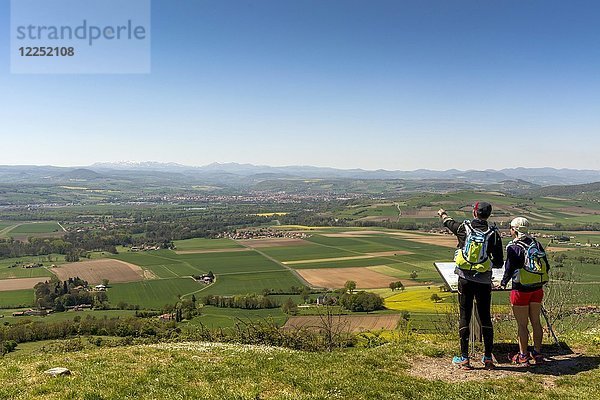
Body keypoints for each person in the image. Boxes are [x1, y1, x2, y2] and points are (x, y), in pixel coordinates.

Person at [438, 202, 503, 370]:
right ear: (488, 215)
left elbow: (448, 223)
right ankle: (488, 357)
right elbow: (498, 262)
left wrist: (443, 214)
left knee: (465, 315)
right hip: (484, 281)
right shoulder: (494, 234)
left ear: (474, 212)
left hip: (465, 279)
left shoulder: (463, 229)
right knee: (485, 316)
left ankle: (464, 358)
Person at [500, 217, 550, 366]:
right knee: (536, 322)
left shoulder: (513, 247)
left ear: (514, 229)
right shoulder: (536, 244)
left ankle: (523, 355)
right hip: (537, 288)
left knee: (522, 325)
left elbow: (509, 268)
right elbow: (546, 266)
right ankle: (538, 353)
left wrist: (503, 282)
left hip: (521, 289)